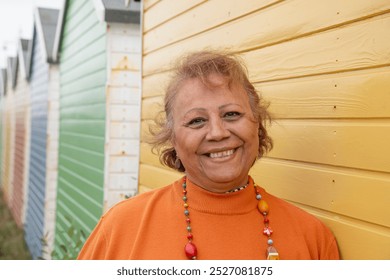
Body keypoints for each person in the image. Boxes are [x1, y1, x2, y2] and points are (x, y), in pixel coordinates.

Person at [77, 51, 340, 260]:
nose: (217, 132)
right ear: (172, 139)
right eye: (196, 121)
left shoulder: (312, 238)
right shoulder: (121, 227)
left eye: (231, 114)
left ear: (256, 123)